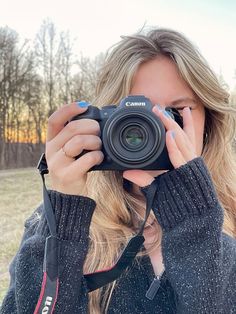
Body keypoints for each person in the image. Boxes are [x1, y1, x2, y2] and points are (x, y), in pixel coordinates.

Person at [1, 27, 236, 314]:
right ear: (104, 123)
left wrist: (195, 225)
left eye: (175, 112)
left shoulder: (231, 213)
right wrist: (62, 225)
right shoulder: (58, 221)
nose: (154, 131)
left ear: (209, 122)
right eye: (136, 118)